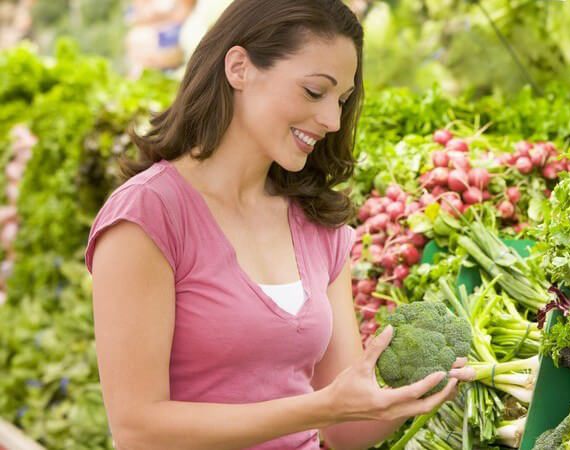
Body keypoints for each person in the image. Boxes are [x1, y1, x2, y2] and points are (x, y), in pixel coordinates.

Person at [85, 1, 474, 449]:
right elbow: (140, 430)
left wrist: (418, 394)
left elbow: (345, 431)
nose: (331, 120)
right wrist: (322, 407)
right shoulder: (148, 216)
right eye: (314, 91)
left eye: (342, 101)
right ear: (239, 68)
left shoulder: (317, 224)